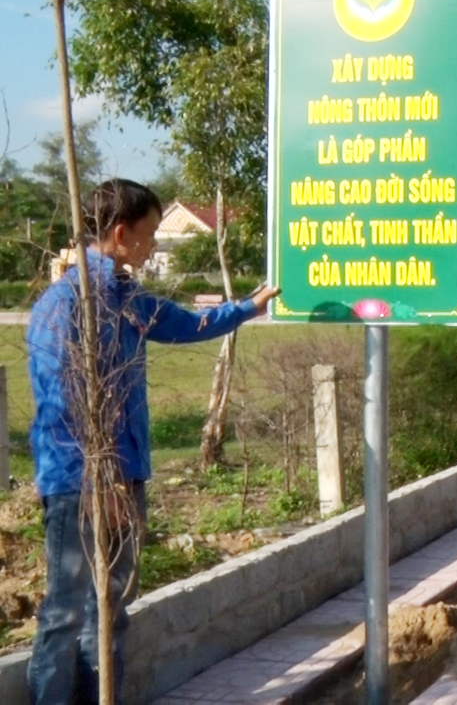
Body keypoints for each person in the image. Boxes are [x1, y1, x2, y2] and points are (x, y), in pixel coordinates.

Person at [25, 179, 279, 704]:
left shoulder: (124, 297)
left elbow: (185, 323)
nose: (155, 246)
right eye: (151, 234)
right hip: (82, 484)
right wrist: (99, 477)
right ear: (121, 233)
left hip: (121, 477)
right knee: (67, 612)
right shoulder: (70, 305)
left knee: (111, 609)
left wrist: (247, 308)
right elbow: (61, 404)